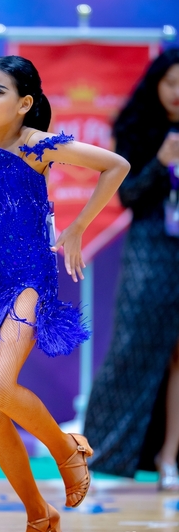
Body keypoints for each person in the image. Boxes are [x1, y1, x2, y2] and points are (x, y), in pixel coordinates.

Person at [0, 55, 130, 532]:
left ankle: (66, 449)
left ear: (25, 103)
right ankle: (36, 512)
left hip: (30, 275)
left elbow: (117, 166)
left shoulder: (37, 145)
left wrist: (77, 227)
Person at [84, 48, 179, 491]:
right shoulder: (137, 128)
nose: (177, 93)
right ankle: (103, 455)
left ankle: (169, 458)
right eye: (171, 83)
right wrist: (161, 162)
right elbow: (129, 196)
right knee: (132, 346)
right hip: (151, 248)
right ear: (156, 84)